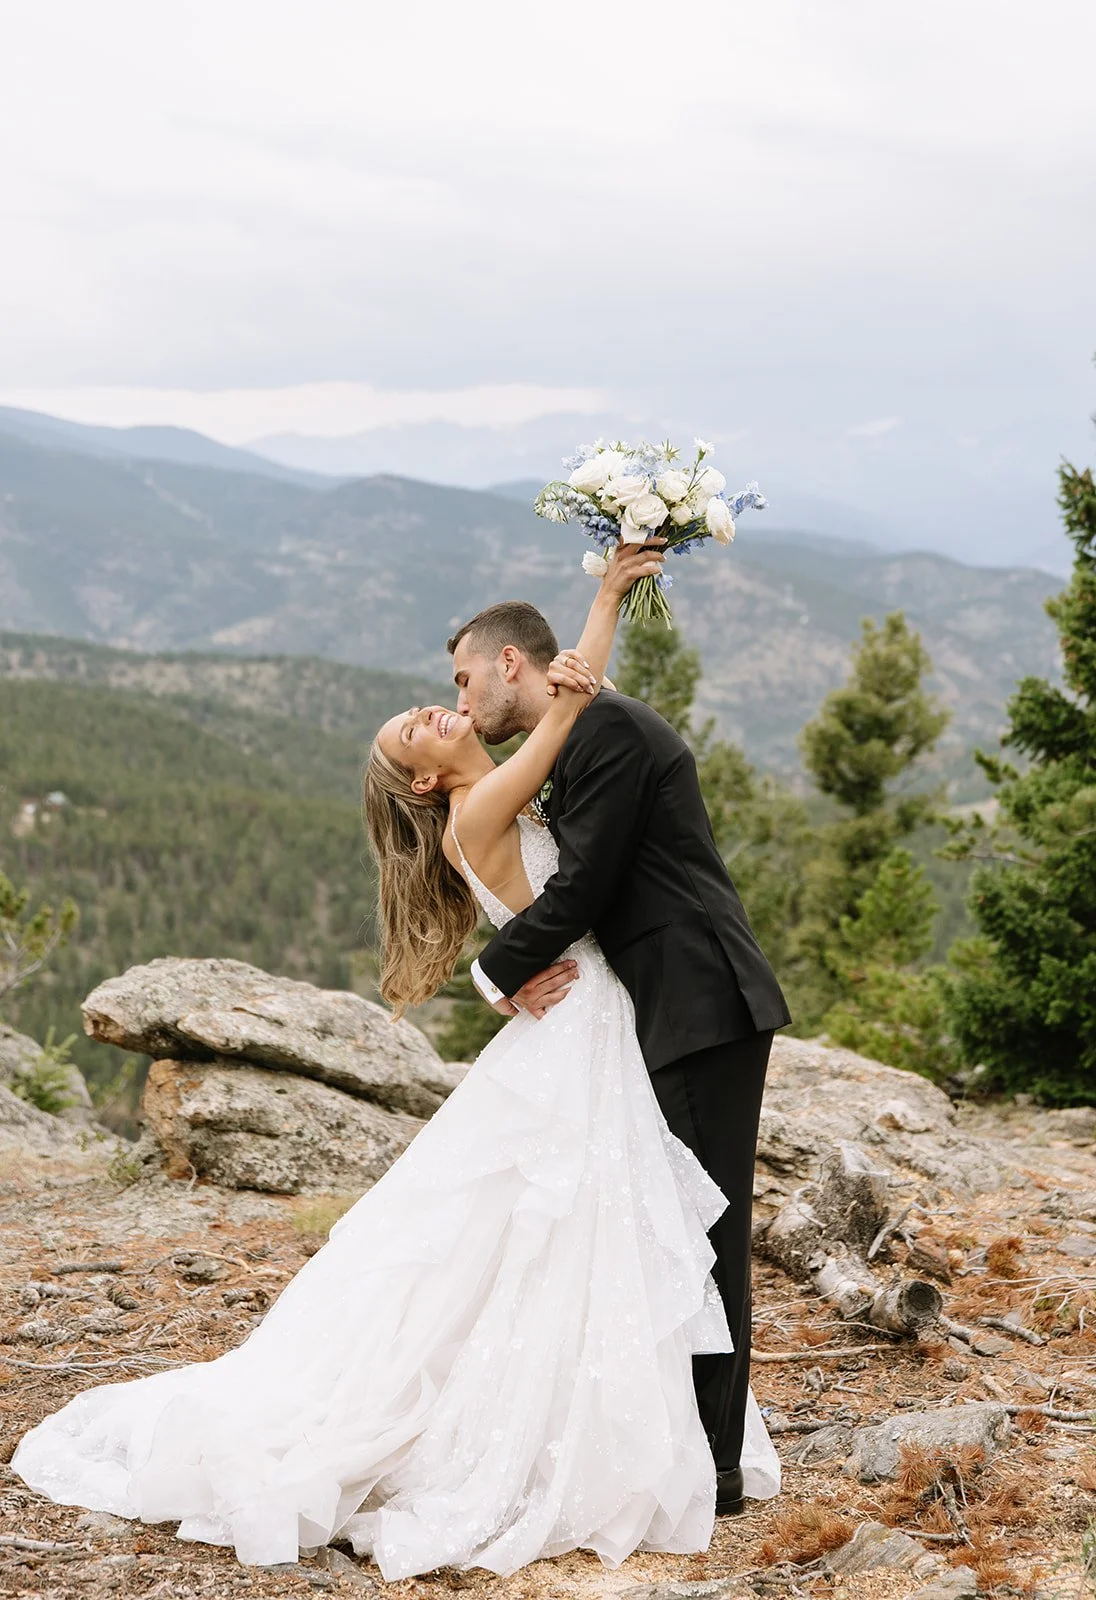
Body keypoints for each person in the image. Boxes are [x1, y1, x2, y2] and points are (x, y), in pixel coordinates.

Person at [12, 541, 780, 1580]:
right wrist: (602, 595)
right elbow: (565, 740)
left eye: (448, 689)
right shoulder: (478, 803)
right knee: (606, 1223)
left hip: (603, 1019)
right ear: (424, 775)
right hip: (586, 1019)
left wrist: (599, 608)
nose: (442, 706)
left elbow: (565, 700)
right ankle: (637, 1436)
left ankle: (650, 1424)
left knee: (598, 1227)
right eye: (425, 718)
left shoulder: (513, 778)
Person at [448, 581, 792, 1519]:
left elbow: (587, 888)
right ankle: (681, 1440)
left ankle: (711, 1467)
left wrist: (494, 977)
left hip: (698, 1000)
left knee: (702, 1230)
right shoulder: (583, 728)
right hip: (670, 1003)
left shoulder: (606, 734)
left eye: (465, 677)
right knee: (673, 1223)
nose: (462, 698)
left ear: (509, 662)